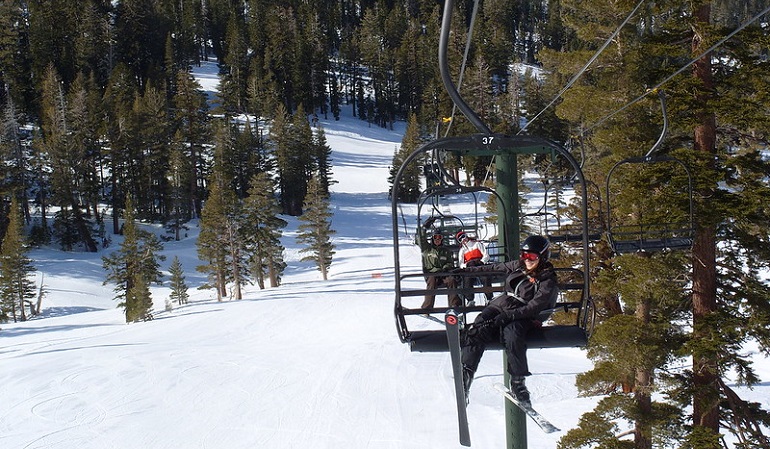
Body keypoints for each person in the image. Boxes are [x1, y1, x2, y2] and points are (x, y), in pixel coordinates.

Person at [455, 235, 559, 405]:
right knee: (478, 326)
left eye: (532, 257)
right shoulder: (518, 266)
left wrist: (510, 316)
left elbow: (535, 305)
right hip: (501, 305)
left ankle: (518, 382)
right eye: (524, 255)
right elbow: (494, 267)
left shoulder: (547, 279)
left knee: (512, 334)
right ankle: (466, 376)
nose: (527, 260)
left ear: (543, 256)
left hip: (522, 314)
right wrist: (466, 271)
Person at [421, 233, 461, 309]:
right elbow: (420, 239)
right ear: (432, 240)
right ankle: (427, 308)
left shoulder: (445, 251)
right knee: (432, 281)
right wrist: (424, 229)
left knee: (451, 280)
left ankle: (454, 305)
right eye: (435, 239)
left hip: (443, 273)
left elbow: (450, 262)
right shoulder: (427, 249)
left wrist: (446, 267)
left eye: (439, 239)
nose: (437, 241)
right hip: (432, 273)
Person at [455, 231, 492, 304]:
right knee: (467, 279)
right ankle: (470, 299)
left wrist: (482, 261)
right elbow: (461, 263)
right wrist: (467, 265)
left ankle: (489, 298)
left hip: (479, 265)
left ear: (466, 236)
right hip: (470, 268)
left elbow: (486, 255)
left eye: (463, 237)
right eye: (460, 239)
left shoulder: (477, 244)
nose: (463, 240)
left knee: (485, 278)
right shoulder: (462, 250)